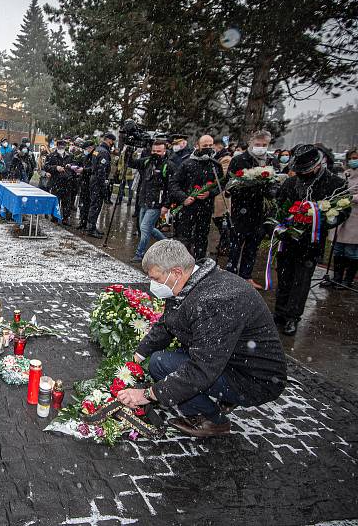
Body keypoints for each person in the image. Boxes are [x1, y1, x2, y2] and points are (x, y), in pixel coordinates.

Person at [117, 239, 287, 438]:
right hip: (232, 358)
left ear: (176, 272)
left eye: (155, 278)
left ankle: (212, 421)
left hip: (256, 378)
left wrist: (148, 395)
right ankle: (222, 397)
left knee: (161, 364)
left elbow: (201, 370)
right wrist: (137, 356)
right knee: (166, 360)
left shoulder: (214, 301)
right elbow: (169, 323)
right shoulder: (194, 282)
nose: (153, 284)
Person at [273, 144, 351, 335]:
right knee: (284, 277)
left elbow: (343, 210)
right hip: (288, 241)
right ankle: (280, 312)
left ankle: (293, 317)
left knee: (301, 281)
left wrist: (320, 220)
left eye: (305, 170)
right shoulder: (291, 183)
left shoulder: (334, 184)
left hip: (311, 243)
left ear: (317, 165)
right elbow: (278, 206)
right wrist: (277, 226)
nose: (301, 174)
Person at [226, 130, 279, 288]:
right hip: (241, 210)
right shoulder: (239, 160)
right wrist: (247, 186)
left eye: (264, 145)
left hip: (261, 212)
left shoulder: (271, 161)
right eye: (257, 144)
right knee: (236, 244)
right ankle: (230, 274)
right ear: (251, 143)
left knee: (253, 246)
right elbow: (229, 185)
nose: (261, 148)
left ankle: (246, 276)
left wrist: (269, 190)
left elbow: (276, 184)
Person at [169, 134, 225, 259]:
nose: (208, 148)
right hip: (188, 207)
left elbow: (221, 183)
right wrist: (183, 197)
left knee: (202, 237)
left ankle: (200, 262)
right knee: (185, 237)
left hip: (205, 207)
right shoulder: (188, 163)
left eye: (210, 145)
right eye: (205, 146)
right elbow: (174, 183)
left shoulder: (215, 165)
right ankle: (184, 262)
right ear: (197, 146)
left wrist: (210, 193)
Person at [129, 140, 174, 262]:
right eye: (154, 151)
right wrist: (129, 150)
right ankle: (168, 244)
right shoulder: (148, 161)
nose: (155, 153)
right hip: (144, 200)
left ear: (164, 151)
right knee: (146, 227)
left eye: (158, 151)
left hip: (156, 203)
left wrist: (166, 205)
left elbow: (171, 187)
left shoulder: (168, 165)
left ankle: (140, 253)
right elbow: (132, 163)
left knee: (145, 227)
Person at [326, 148, 358, 288]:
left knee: (351, 251)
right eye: (351, 158)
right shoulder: (345, 174)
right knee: (338, 249)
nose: (353, 160)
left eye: (355, 158)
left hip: (355, 218)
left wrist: (350, 198)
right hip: (341, 215)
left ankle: (348, 280)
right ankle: (337, 278)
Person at [84, 133, 116, 238]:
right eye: (112, 141)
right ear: (109, 140)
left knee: (94, 204)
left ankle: (92, 226)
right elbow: (101, 170)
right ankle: (90, 228)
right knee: (96, 205)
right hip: (98, 181)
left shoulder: (97, 149)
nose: (113, 143)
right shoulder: (104, 152)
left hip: (94, 179)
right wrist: (104, 185)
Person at [45, 139, 75, 226]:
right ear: (57, 146)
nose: (62, 147)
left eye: (63, 146)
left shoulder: (70, 156)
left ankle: (65, 218)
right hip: (56, 182)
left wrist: (70, 167)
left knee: (67, 201)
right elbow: (46, 166)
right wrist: (55, 168)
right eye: (60, 146)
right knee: (56, 201)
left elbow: (74, 166)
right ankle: (54, 217)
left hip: (67, 182)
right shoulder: (51, 156)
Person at [211, 154, 233, 258]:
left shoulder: (225, 159)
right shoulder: (218, 157)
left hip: (221, 196)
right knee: (221, 223)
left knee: (223, 223)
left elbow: (223, 176)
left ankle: (226, 246)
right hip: (218, 195)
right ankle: (224, 245)